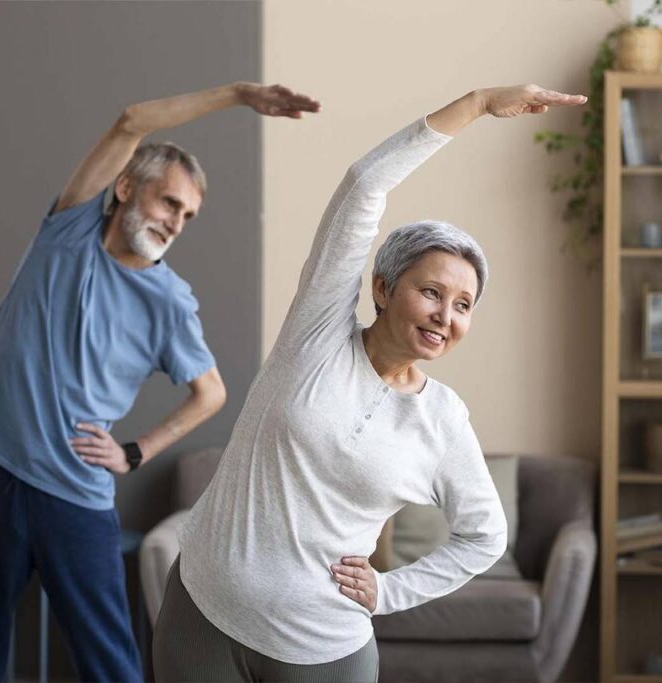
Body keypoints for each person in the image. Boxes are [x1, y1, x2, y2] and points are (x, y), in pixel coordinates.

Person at [153, 83, 587, 682]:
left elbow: (485, 537)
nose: (445, 315)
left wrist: (389, 591)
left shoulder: (442, 420)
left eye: (463, 305)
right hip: (199, 614)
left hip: (321, 652)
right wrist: (480, 104)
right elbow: (365, 184)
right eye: (431, 292)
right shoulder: (317, 334)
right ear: (383, 288)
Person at [0, 81, 321, 683]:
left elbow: (212, 393)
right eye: (170, 202)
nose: (177, 222)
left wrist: (134, 451)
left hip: (73, 493)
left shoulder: (171, 303)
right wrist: (240, 95)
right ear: (124, 188)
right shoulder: (67, 230)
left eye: (187, 215)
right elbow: (131, 121)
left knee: (111, 667)